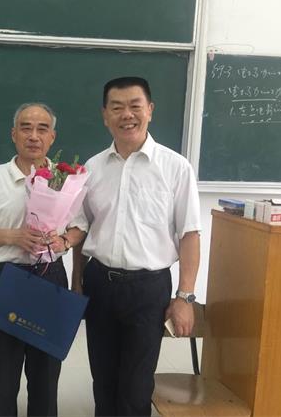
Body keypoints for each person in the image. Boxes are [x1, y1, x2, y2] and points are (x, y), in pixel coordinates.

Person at [72, 77, 201, 417]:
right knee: (103, 382)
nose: (126, 115)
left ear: (150, 110)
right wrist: (76, 282)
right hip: (100, 283)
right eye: (117, 107)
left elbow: (190, 234)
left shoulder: (175, 167)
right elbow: (80, 229)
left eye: (135, 106)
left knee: (136, 387)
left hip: (149, 289)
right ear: (105, 115)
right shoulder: (92, 168)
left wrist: (185, 297)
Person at [0, 103, 86, 417]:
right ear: (13, 134)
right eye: (26, 128)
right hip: (7, 279)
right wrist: (13, 237)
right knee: (3, 378)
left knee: (45, 377)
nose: (34, 136)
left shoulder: (66, 178)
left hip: (51, 277)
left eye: (42, 129)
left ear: (52, 137)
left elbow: (80, 227)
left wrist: (65, 240)